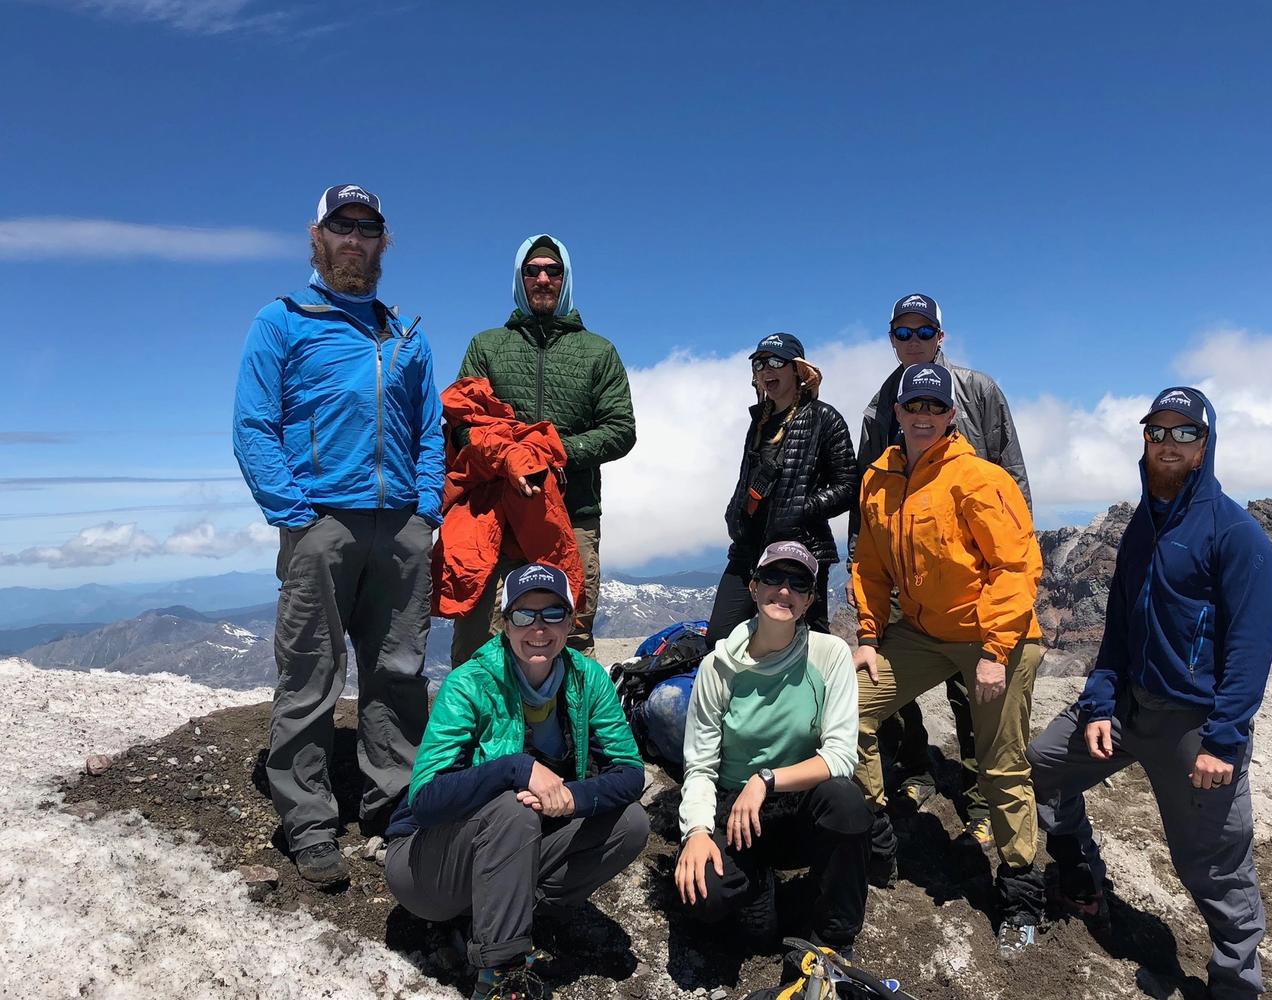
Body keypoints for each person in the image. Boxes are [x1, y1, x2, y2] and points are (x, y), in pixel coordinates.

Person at [1026, 387, 1272, 998]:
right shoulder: (1143, 524)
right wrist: (1101, 701)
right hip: (1130, 706)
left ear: (1205, 445)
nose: (1168, 442)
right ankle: (1081, 875)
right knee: (1042, 764)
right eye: (1157, 431)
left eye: (1184, 433)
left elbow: (1249, 650)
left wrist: (1222, 739)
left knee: (1212, 864)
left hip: (1195, 724)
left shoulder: (1235, 533)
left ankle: (1236, 986)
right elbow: (1118, 629)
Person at [232, 184, 441, 887]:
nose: (355, 239)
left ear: (385, 241)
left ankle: (394, 804)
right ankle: (310, 822)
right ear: (317, 237)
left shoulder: (405, 335)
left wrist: (428, 509)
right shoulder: (282, 321)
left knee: (399, 673)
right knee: (310, 674)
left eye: (368, 227)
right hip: (321, 523)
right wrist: (295, 514)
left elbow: (429, 431)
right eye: (342, 227)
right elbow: (254, 425)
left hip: (401, 529)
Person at [384, 563, 649, 1000]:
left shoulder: (588, 679)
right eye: (525, 615)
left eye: (553, 614)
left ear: (571, 622)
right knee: (512, 807)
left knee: (631, 824)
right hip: (426, 867)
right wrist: (514, 768)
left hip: (508, 850)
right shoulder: (470, 684)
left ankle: (502, 915)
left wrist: (571, 798)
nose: (539, 628)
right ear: (504, 623)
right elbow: (426, 800)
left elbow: (629, 773)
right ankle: (501, 977)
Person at [849, 363, 1045, 948]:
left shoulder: (981, 479)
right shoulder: (877, 481)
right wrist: (866, 635)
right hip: (922, 632)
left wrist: (994, 651)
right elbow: (871, 566)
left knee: (1001, 762)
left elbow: (1016, 566)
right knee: (850, 708)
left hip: (996, 635)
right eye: (914, 409)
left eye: (935, 410)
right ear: (898, 414)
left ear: (951, 416)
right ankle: (877, 833)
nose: (924, 418)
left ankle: (1019, 890)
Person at [851, 292, 1032, 850]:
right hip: (910, 576)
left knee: (974, 694)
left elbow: (1011, 476)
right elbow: (873, 514)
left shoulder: (977, 390)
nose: (913, 342)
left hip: (980, 578)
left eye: (922, 332)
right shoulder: (879, 407)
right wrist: (867, 625)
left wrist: (1011, 575)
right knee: (885, 690)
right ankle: (910, 781)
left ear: (940, 335)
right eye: (901, 334)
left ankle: (981, 799)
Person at [675, 541, 870, 957]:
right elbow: (701, 767)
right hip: (736, 815)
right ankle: (760, 885)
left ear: (810, 600)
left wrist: (766, 780)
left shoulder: (829, 654)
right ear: (753, 587)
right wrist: (696, 832)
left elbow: (840, 757)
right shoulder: (719, 666)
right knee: (705, 897)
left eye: (798, 583)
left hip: (796, 805)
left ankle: (834, 940)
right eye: (773, 578)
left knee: (846, 802)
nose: (784, 590)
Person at [452, 234, 636, 660]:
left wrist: (550, 454)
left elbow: (621, 429)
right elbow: (464, 424)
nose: (542, 278)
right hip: (496, 514)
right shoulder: (487, 346)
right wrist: (512, 458)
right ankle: (486, 728)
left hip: (573, 515)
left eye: (553, 270)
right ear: (519, 279)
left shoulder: (598, 352)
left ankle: (572, 728)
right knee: (483, 642)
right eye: (532, 270)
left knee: (569, 637)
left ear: (565, 278)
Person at [706, 333, 857, 645]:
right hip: (749, 548)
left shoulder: (824, 418)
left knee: (806, 640)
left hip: (800, 549)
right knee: (721, 638)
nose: (766, 370)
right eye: (760, 364)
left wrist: (802, 509)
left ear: (797, 371)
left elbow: (848, 485)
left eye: (776, 362)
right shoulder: (759, 421)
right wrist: (734, 513)